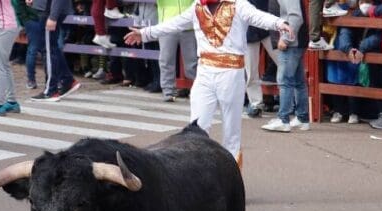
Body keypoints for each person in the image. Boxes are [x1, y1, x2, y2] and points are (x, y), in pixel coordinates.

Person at [125, 0, 292, 165]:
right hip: (205, 70)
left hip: (231, 72)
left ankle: (231, 181)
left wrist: (279, 23)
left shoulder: (238, 5)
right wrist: (145, 33)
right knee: (197, 128)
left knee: (231, 133)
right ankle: (198, 175)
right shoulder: (197, 6)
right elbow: (175, 23)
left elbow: (257, 16)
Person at [262, 0, 308, 133]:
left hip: (291, 42)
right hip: (297, 41)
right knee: (299, 82)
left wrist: (286, 38)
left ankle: (283, 119)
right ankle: (302, 118)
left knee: (285, 81)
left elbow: (295, 16)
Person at [29, 0, 80, 101]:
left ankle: (51, 90)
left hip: (50, 11)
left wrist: (53, 16)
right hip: (46, 9)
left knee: (48, 50)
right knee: (50, 48)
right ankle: (67, 80)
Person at [156, 0, 197, 101]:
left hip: (188, 26)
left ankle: (201, 90)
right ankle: (168, 92)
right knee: (166, 60)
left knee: (192, 63)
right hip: (167, 25)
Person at [244, 0, 278, 117]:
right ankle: (255, 104)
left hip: (267, 22)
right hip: (248, 27)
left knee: (284, 63)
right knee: (251, 71)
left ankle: (294, 101)